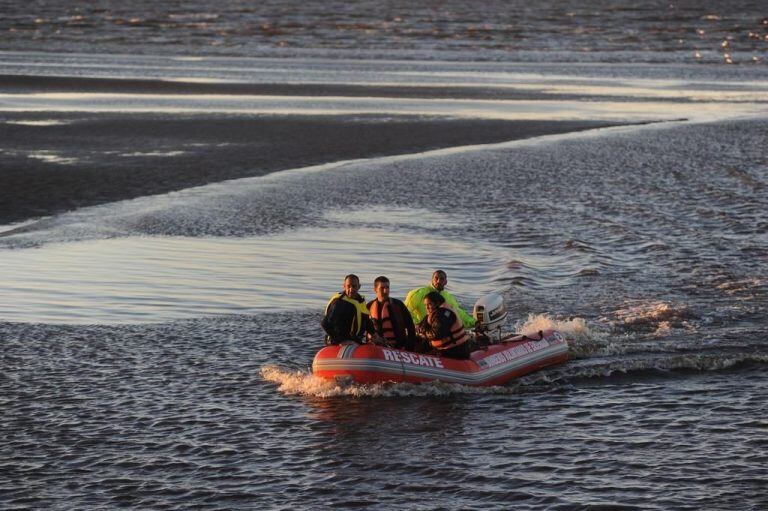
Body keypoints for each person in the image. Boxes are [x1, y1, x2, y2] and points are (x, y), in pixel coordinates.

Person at [404, 270, 476, 329]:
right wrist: (416, 324)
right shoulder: (418, 294)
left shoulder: (448, 297)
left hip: (439, 331)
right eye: (436, 278)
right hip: (421, 330)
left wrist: (474, 323)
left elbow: (459, 314)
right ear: (432, 280)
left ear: (445, 282)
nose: (438, 281)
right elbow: (404, 311)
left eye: (441, 279)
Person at [321, 274, 376, 345]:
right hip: (337, 340)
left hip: (353, 340)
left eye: (354, 286)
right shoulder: (339, 303)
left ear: (359, 287)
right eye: (348, 286)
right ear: (344, 286)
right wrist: (341, 341)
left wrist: (374, 334)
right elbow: (325, 323)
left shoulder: (359, 300)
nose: (351, 289)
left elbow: (365, 319)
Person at [417, 291, 473, 359]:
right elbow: (421, 326)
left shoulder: (444, 314)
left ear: (437, 303)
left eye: (429, 304)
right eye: (425, 305)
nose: (427, 307)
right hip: (446, 349)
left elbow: (436, 334)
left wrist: (424, 333)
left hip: (455, 351)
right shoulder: (435, 313)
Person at [367, 276, 417, 351]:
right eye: (382, 288)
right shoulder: (369, 306)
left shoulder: (398, 305)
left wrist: (409, 347)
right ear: (375, 289)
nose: (385, 291)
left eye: (387, 287)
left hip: (397, 347)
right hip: (376, 348)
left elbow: (410, 327)